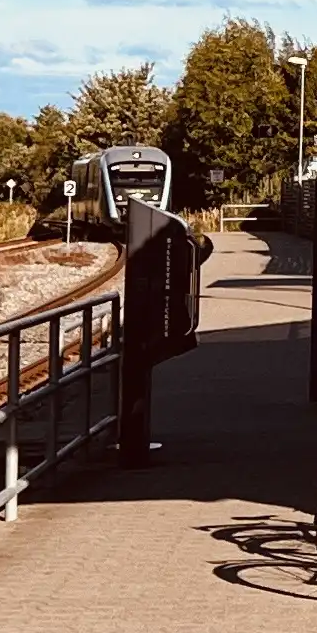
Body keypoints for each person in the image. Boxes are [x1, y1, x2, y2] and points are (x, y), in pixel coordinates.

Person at [114, 197, 205, 462]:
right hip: (158, 318)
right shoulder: (171, 232)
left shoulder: (167, 231)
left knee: (137, 362)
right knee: (139, 363)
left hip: (152, 320)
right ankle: (134, 444)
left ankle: (133, 444)